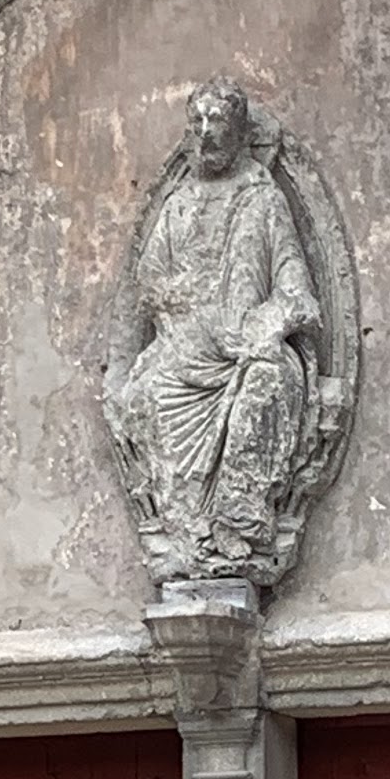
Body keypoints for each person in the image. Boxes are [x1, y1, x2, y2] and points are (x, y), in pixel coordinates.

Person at [105, 83, 324, 585]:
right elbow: (147, 284)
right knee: (148, 389)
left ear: (241, 132)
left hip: (244, 354)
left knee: (268, 379)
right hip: (184, 354)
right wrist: (177, 299)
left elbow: (297, 293)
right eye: (197, 123)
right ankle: (188, 539)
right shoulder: (178, 206)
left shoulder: (262, 202)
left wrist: (266, 324)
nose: (206, 134)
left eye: (218, 121)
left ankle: (237, 529)